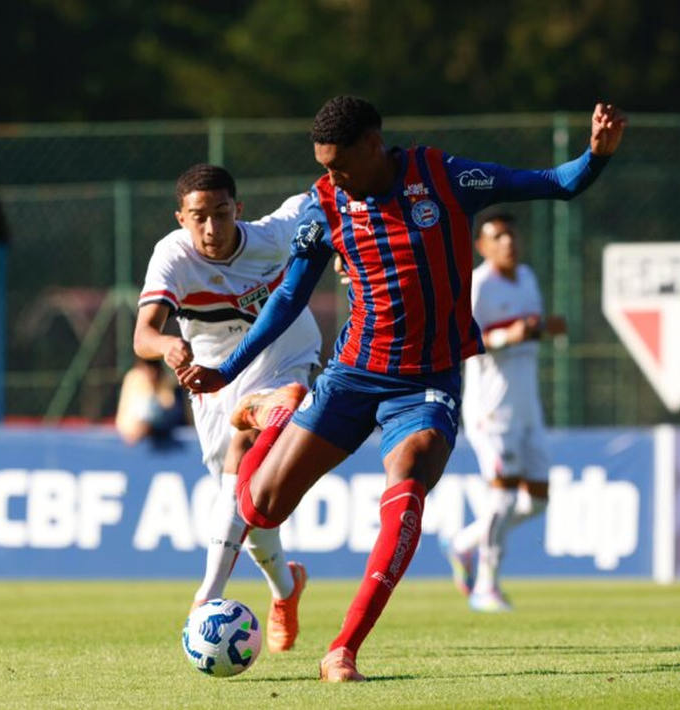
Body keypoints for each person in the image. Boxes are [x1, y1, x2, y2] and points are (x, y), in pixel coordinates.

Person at [180, 95, 625, 681]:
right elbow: (289, 296)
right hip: (352, 376)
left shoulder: (443, 176)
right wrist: (231, 370)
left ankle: (343, 648)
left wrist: (594, 156)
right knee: (260, 507)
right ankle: (269, 414)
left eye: (338, 164)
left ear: (373, 146)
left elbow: (554, 183)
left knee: (410, 480)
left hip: (425, 383)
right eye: (323, 165)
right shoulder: (325, 205)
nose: (330, 176)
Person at [133, 163, 319, 653]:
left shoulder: (276, 234)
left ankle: (207, 596)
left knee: (244, 457)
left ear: (239, 209)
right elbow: (143, 334)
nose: (211, 228)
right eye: (199, 217)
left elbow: (329, 192)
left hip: (286, 362)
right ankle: (286, 587)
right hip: (216, 379)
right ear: (181, 218)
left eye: (221, 214)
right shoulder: (172, 257)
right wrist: (168, 348)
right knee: (247, 504)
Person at [440, 212, 564, 612]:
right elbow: (462, 340)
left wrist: (545, 328)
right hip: (491, 409)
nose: (508, 242)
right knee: (505, 497)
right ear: (482, 246)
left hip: (528, 406)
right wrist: (507, 336)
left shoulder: (526, 277)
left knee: (538, 500)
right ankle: (486, 586)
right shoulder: (478, 285)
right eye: (498, 236)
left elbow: (528, 330)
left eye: (512, 234)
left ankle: (463, 544)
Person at [115, 357, 183, 446]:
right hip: (131, 431)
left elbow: (169, 406)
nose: (151, 372)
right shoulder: (134, 378)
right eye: (147, 367)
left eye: (153, 368)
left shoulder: (163, 380)